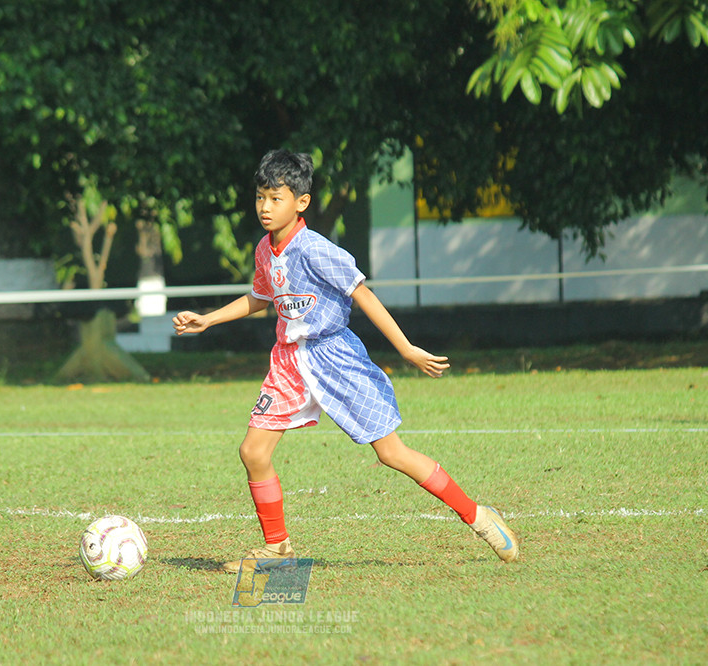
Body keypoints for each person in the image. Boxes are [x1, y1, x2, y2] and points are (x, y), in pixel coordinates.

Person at [172, 149, 519, 571]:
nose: (265, 207)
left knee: (391, 454)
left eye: (275, 198)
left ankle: (479, 516)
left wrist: (406, 348)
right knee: (253, 451)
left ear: (301, 202)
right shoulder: (265, 248)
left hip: (335, 356)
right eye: (260, 197)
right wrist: (208, 320)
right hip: (288, 363)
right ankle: (277, 549)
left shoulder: (316, 249)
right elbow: (261, 296)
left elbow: (363, 294)